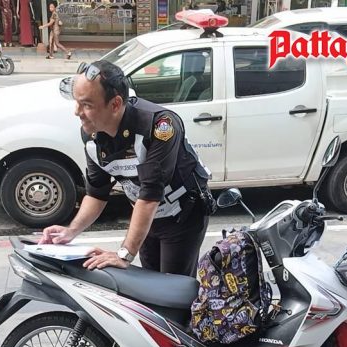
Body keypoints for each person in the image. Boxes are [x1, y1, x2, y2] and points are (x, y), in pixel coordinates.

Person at [39, 60, 215, 277]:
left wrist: (124, 255)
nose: (77, 112)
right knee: (148, 282)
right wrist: (70, 231)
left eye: (87, 105)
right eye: (76, 102)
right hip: (147, 215)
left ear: (115, 104)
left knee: (172, 286)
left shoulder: (159, 125)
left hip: (182, 213)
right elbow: (97, 192)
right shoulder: (92, 134)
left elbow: (150, 194)